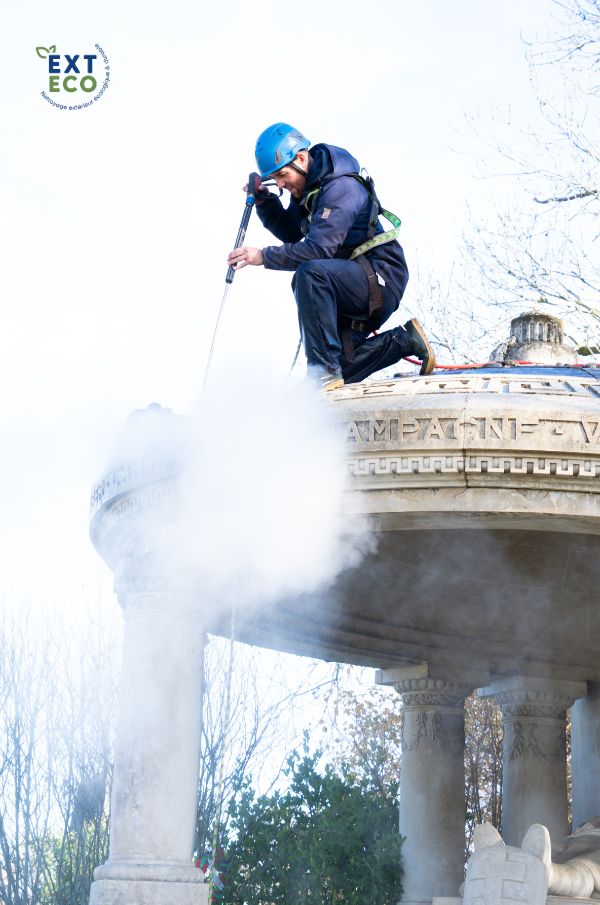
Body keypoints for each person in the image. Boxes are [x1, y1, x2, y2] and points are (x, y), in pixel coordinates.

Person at [226, 123, 436, 390]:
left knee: (310, 274)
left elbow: (317, 250)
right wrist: (265, 201)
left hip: (380, 279)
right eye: (275, 179)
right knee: (341, 369)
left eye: (282, 174)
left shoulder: (341, 188)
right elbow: (291, 233)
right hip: (349, 284)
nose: (280, 183)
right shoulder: (309, 190)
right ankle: (405, 341)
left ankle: (321, 371)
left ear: (301, 159)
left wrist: (263, 256)